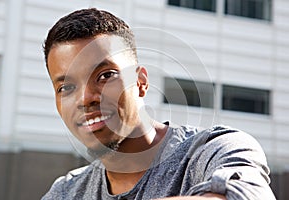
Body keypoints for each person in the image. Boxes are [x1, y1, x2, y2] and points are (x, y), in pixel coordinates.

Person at [41, 8, 276, 200]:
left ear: (141, 82)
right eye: (66, 88)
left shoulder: (213, 150)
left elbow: (248, 194)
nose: (85, 98)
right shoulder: (66, 192)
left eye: (105, 75)